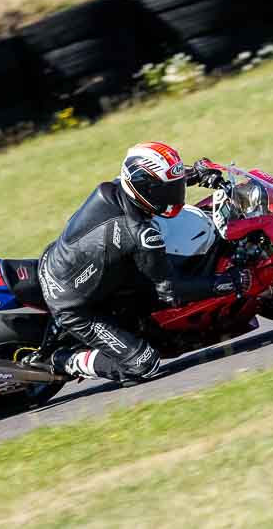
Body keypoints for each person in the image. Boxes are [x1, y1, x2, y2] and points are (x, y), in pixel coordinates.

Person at [39, 142, 250, 383]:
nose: (173, 195)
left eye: (175, 187)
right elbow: (170, 291)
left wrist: (194, 174)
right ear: (145, 188)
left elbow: (157, 185)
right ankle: (65, 360)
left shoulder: (116, 188)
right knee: (144, 363)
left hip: (63, 262)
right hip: (75, 306)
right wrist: (223, 283)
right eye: (166, 190)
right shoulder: (141, 234)